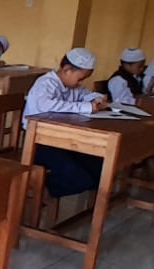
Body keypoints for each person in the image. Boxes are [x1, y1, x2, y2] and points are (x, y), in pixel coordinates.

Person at [22, 48, 108, 198]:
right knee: (78, 177)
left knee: (99, 167)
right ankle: (41, 192)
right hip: (39, 142)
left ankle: (47, 189)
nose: (81, 82)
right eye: (80, 78)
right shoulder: (45, 84)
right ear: (67, 70)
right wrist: (86, 107)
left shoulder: (73, 86)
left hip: (63, 139)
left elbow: (87, 94)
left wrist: (97, 98)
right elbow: (46, 106)